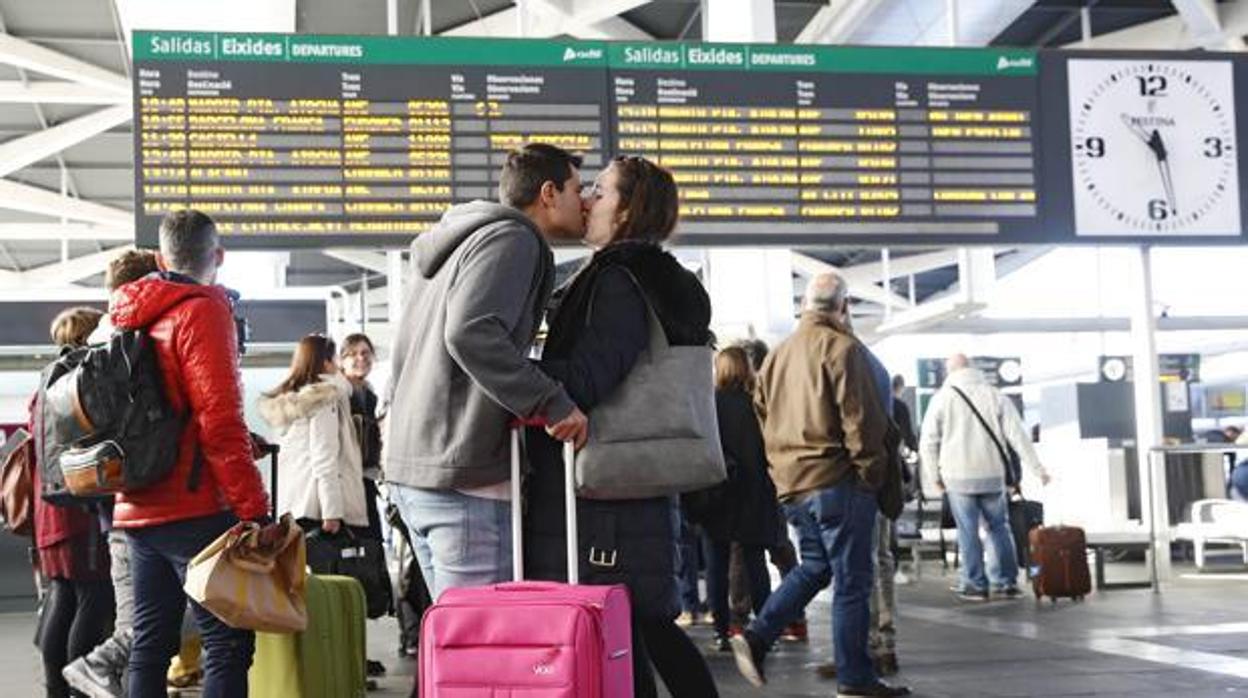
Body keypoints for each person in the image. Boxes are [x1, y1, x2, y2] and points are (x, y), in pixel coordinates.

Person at [524, 155, 718, 697]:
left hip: (604, 491)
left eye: (603, 192)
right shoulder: (641, 277)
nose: (588, 199)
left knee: (626, 624)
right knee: (639, 624)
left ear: (629, 209)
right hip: (628, 480)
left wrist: (514, 373)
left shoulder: (617, 281)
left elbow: (589, 375)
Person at [385, 143, 589, 600]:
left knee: (457, 644)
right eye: (579, 189)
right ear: (549, 193)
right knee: (482, 648)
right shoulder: (513, 240)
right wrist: (551, 400)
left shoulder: (460, 241)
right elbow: (472, 332)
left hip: (418, 468)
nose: (587, 200)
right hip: (464, 477)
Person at [108, 209, 270, 698]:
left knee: (151, 645)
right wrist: (253, 509)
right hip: (195, 507)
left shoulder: (129, 312)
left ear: (159, 257)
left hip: (137, 504)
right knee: (225, 643)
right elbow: (218, 422)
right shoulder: (202, 310)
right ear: (217, 255)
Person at [730, 271, 910, 698]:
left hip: (793, 486)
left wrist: (781, 469)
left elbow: (762, 416)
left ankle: (757, 637)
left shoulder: (777, 356)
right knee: (851, 579)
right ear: (844, 307)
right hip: (837, 481)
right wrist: (869, 475)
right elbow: (860, 422)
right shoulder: (843, 349)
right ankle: (855, 678)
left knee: (815, 566)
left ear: (806, 306)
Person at [63, 250, 160, 697]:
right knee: (149, 625)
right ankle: (96, 665)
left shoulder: (98, 348)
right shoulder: (128, 345)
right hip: (143, 504)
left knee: (142, 624)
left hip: (115, 506)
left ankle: (101, 668)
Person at [918, 353, 1050, 602]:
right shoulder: (995, 395)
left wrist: (933, 475)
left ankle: (976, 585)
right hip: (992, 474)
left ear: (950, 372)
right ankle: (1007, 583)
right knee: (999, 527)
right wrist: (1038, 469)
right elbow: (1018, 437)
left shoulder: (942, 399)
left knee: (967, 530)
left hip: (958, 477)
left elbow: (928, 442)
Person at [32, 307, 114, 698]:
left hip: (48, 509)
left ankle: (56, 690)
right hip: (80, 507)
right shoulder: (80, 378)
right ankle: (79, 687)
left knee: (61, 594)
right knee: (92, 597)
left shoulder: (44, 383)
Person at [694, 346, 777, 651]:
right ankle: (765, 626)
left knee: (717, 565)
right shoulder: (758, 406)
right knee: (756, 563)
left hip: (717, 494)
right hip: (753, 494)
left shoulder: (708, 406)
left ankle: (721, 631)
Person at [257, 334, 369, 537]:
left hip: (292, 505)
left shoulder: (290, 402)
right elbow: (324, 456)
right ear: (326, 363)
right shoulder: (324, 399)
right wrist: (332, 512)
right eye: (335, 358)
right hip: (316, 508)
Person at [336, 332, 393, 677]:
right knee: (347, 575)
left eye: (366, 353)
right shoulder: (339, 396)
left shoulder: (369, 396)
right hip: (344, 498)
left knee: (365, 576)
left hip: (366, 490)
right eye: (353, 353)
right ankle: (346, 655)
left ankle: (357, 653)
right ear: (341, 359)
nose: (361, 359)